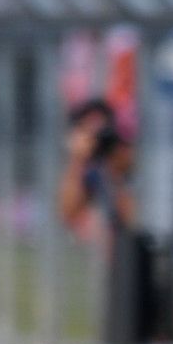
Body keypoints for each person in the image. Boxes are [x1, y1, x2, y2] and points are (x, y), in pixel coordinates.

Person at [57, 97, 136, 239]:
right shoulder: (85, 168)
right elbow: (68, 213)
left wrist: (115, 169)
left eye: (101, 133)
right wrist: (77, 160)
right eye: (90, 133)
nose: (97, 141)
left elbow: (131, 218)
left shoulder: (124, 157)